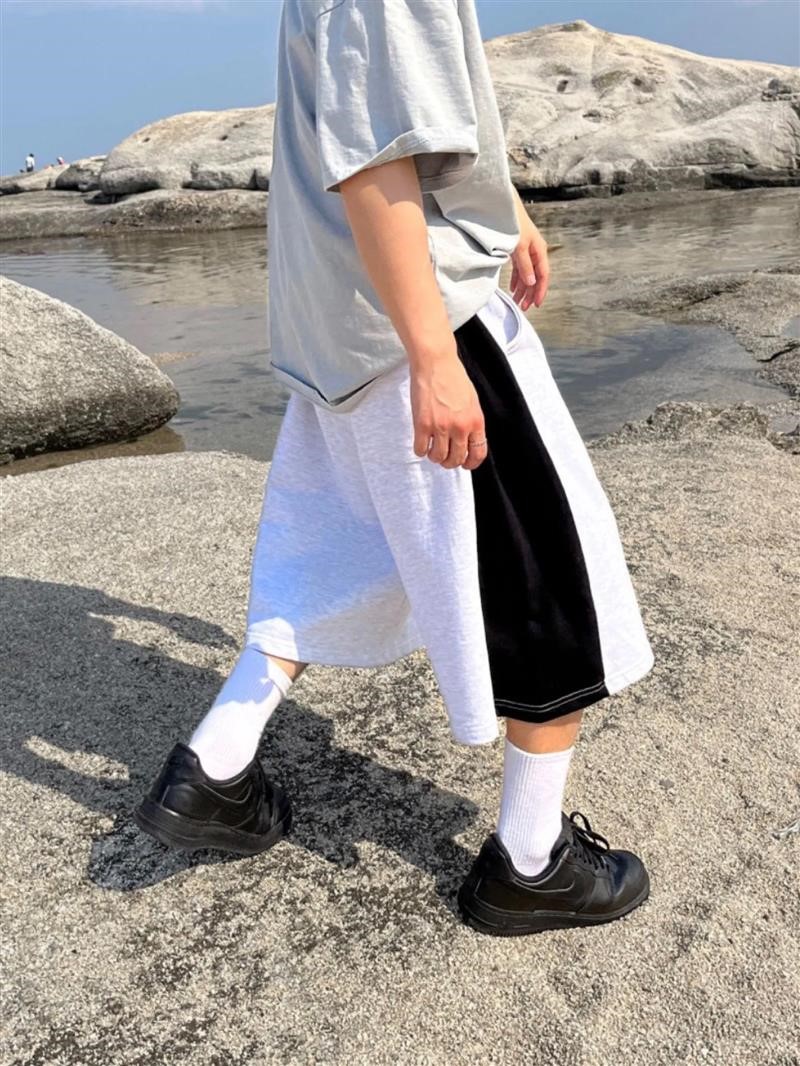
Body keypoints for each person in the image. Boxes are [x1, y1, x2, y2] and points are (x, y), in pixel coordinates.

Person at [135, 0, 655, 936]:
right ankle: (532, 862)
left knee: (342, 547)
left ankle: (214, 769)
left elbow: (385, 115)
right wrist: (434, 357)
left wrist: (507, 207)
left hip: (337, 323)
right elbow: (377, 158)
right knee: (548, 581)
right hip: (420, 318)